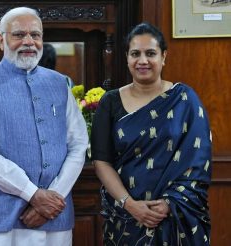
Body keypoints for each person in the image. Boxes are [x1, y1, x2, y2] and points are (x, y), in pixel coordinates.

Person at [0, 6, 88, 246]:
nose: (29, 41)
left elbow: (78, 143)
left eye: (36, 35)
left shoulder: (60, 83)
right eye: (19, 34)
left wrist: (54, 197)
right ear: (1, 40)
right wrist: (33, 194)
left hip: (53, 215)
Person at [91, 22, 212, 245]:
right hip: (126, 219)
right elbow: (101, 160)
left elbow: (198, 160)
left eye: (151, 53)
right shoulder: (110, 102)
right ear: (127, 57)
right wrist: (130, 204)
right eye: (135, 53)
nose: (143, 61)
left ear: (164, 56)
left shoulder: (185, 99)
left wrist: (169, 204)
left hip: (176, 217)